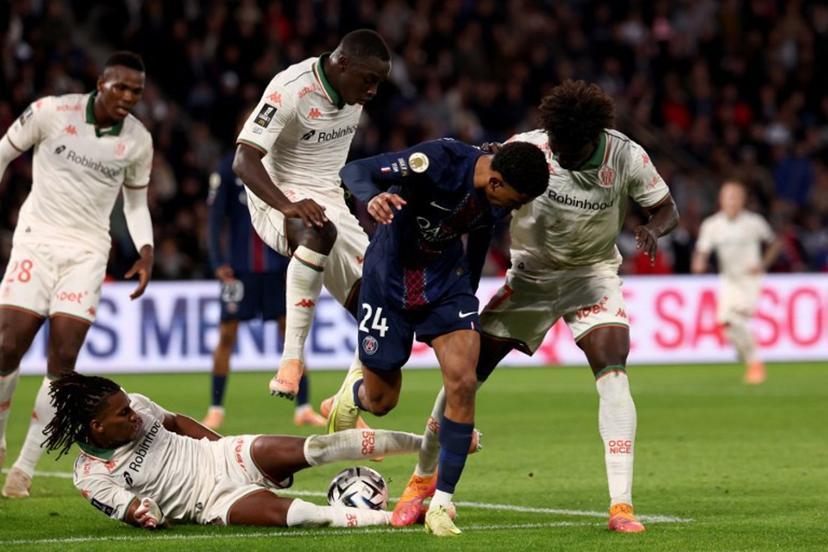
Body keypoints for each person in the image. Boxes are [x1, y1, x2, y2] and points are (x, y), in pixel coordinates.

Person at [391, 81, 679, 534]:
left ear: (593, 137)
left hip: (592, 276)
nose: (559, 155)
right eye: (556, 144)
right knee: (463, 375)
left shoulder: (626, 156)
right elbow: (482, 182)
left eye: (570, 149)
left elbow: (666, 207)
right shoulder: (530, 148)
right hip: (530, 279)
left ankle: (621, 505)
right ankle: (420, 480)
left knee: (614, 371)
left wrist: (653, 230)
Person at [325, 138, 550, 536]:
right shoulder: (438, 161)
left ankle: (441, 503)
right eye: (513, 201)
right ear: (496, 182)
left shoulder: (494, 199)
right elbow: (354, 172)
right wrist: (372, 198)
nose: (513, 209)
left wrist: (469, 299)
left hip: (446, 285)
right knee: (381, 402)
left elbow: (478, 243)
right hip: (387, 281)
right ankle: (353, 394)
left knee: (463, 381)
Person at [0, 51, 154, 498]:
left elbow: (136, 203)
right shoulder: (51, 112)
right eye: (120, 88)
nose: (128, 98)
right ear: (100, 83)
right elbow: (5, 153)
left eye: (136, 92)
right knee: (7, 346)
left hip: (87, 251)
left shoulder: (138, 140)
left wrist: (145, 250)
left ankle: (24, 470)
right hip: (36, 240)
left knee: (62, 362)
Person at [42, 372, 423, 529]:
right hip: (210, 501)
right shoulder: (91, 475)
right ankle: (395, 519)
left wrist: (220, 445)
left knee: (317, 448)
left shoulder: (138, 405)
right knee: (295, 515)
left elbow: (175, 422)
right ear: (98, 427)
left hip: (223, 455)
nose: (134, 414)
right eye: (123, 413)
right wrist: (143, 513)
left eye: (129, 405)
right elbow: (128, 510)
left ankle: (430, 444)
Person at [232, 29, 391, 401]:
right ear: (342, 64)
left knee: (386, 308)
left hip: (329, 197)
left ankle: (346, 402)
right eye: (369, 80)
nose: (372, 92)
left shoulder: (354, 92)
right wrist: (286, 205)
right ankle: (291, 361)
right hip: (278, 192)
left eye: (379, 83)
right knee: (316, 230)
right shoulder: (290, 89)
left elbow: (330, 169)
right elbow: (243, 160)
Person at [202, 149, 325, 429]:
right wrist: (218, 262)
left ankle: (304, 407)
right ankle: (216, 409)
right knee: (226, 335)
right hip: (239, 271)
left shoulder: (282, 165)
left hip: (277, 269)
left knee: (292, 332)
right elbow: (214, 219)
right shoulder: (227, 169)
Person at [691, 180, 781, 384]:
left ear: (742, 200)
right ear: (720, 200)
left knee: (736, 318)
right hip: (728, 280)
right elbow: (702, 250)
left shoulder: (754, 222)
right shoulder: (712, 225)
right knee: (725, 324)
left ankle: (755, 363)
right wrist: (699, 263)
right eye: (727, 197)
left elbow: (775, 243)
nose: (731, 201)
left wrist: (763, 264)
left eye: (735, 197)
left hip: (750, 280)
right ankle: (745, 352)